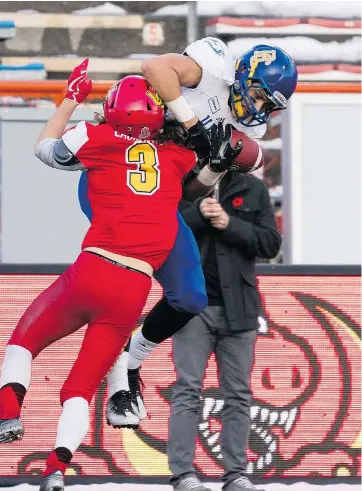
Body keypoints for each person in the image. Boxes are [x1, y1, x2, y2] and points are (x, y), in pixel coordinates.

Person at [0, 60, 200, 491]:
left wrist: (72, 97)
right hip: (135, 289)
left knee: (23, 343)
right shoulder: (177, 156)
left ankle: (8, 416)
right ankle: (55, 469)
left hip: (93, 269)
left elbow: (45, 148)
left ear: (112, 109)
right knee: (79, 389)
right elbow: (201, 169)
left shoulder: (96, 137)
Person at [99, 37, 298, 426]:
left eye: (267, 105)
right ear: (242, 75)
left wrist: (215, 167)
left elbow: (191, 191)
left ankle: (129, 363)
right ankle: (113, 381)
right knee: (124, 276)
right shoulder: (213, 67)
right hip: (114, 173)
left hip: (157, 197)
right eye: (258, 96)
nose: (257, 109)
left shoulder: (246, 133)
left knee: (190, 297)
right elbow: (154, 67)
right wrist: (191, 124)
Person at [168, 126, 282, 491]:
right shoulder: (179, 184)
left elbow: (269, 244)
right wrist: (200, 213)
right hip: (191, 306)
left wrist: (228, 224)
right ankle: (182, 475)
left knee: (239, 394)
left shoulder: (253, 189)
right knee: (188, 390)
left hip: (240, 309)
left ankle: (236, 475)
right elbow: (162, 230)